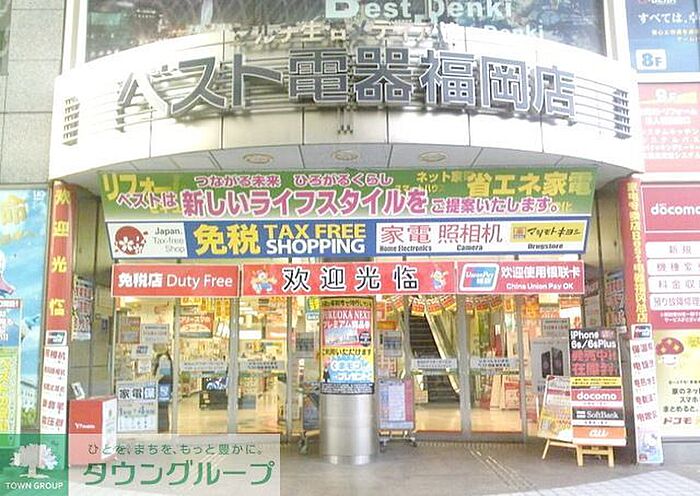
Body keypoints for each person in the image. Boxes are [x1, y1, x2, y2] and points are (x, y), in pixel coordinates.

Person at [154, 349, 173, 433]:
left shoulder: (163, 358)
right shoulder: (165, 358)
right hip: (165, 384)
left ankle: (163, 426)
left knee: (162, 406)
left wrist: (154, 380)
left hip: (163, 385)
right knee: (163, 406)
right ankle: (164, 426)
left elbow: (162, 373)